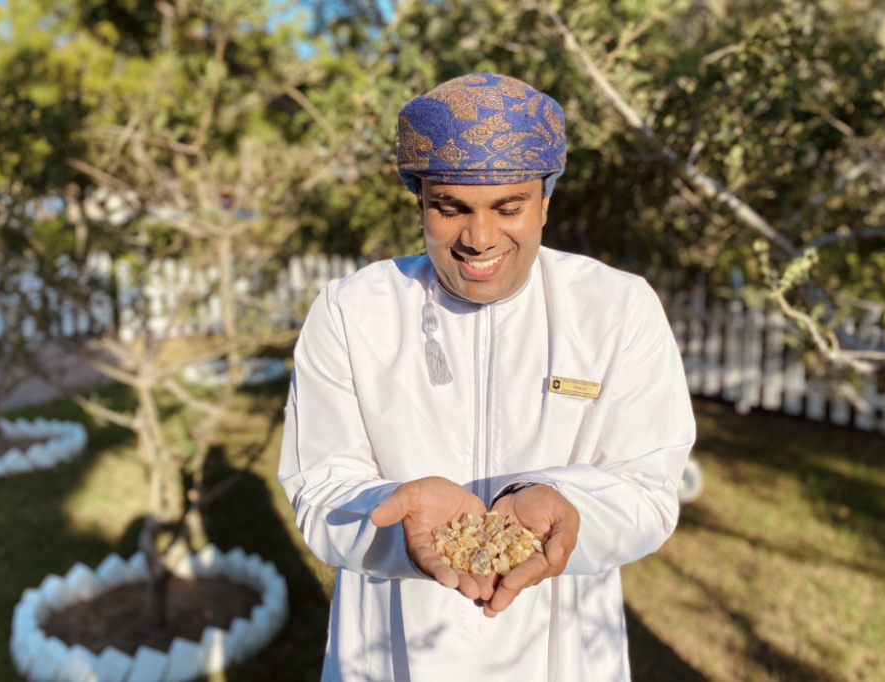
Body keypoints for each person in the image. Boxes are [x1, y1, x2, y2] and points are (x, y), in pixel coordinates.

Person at [278, 73, 695, 682]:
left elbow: (650, 490)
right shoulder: (351, 311)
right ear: (419, 200)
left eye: (509, 208)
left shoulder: (617, 309)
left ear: (546, 200)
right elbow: (319, 489)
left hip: (560, 652)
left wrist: (567, 505)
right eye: (451, 208)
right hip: (392, 650)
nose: (479, 238)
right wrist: (397, 519)